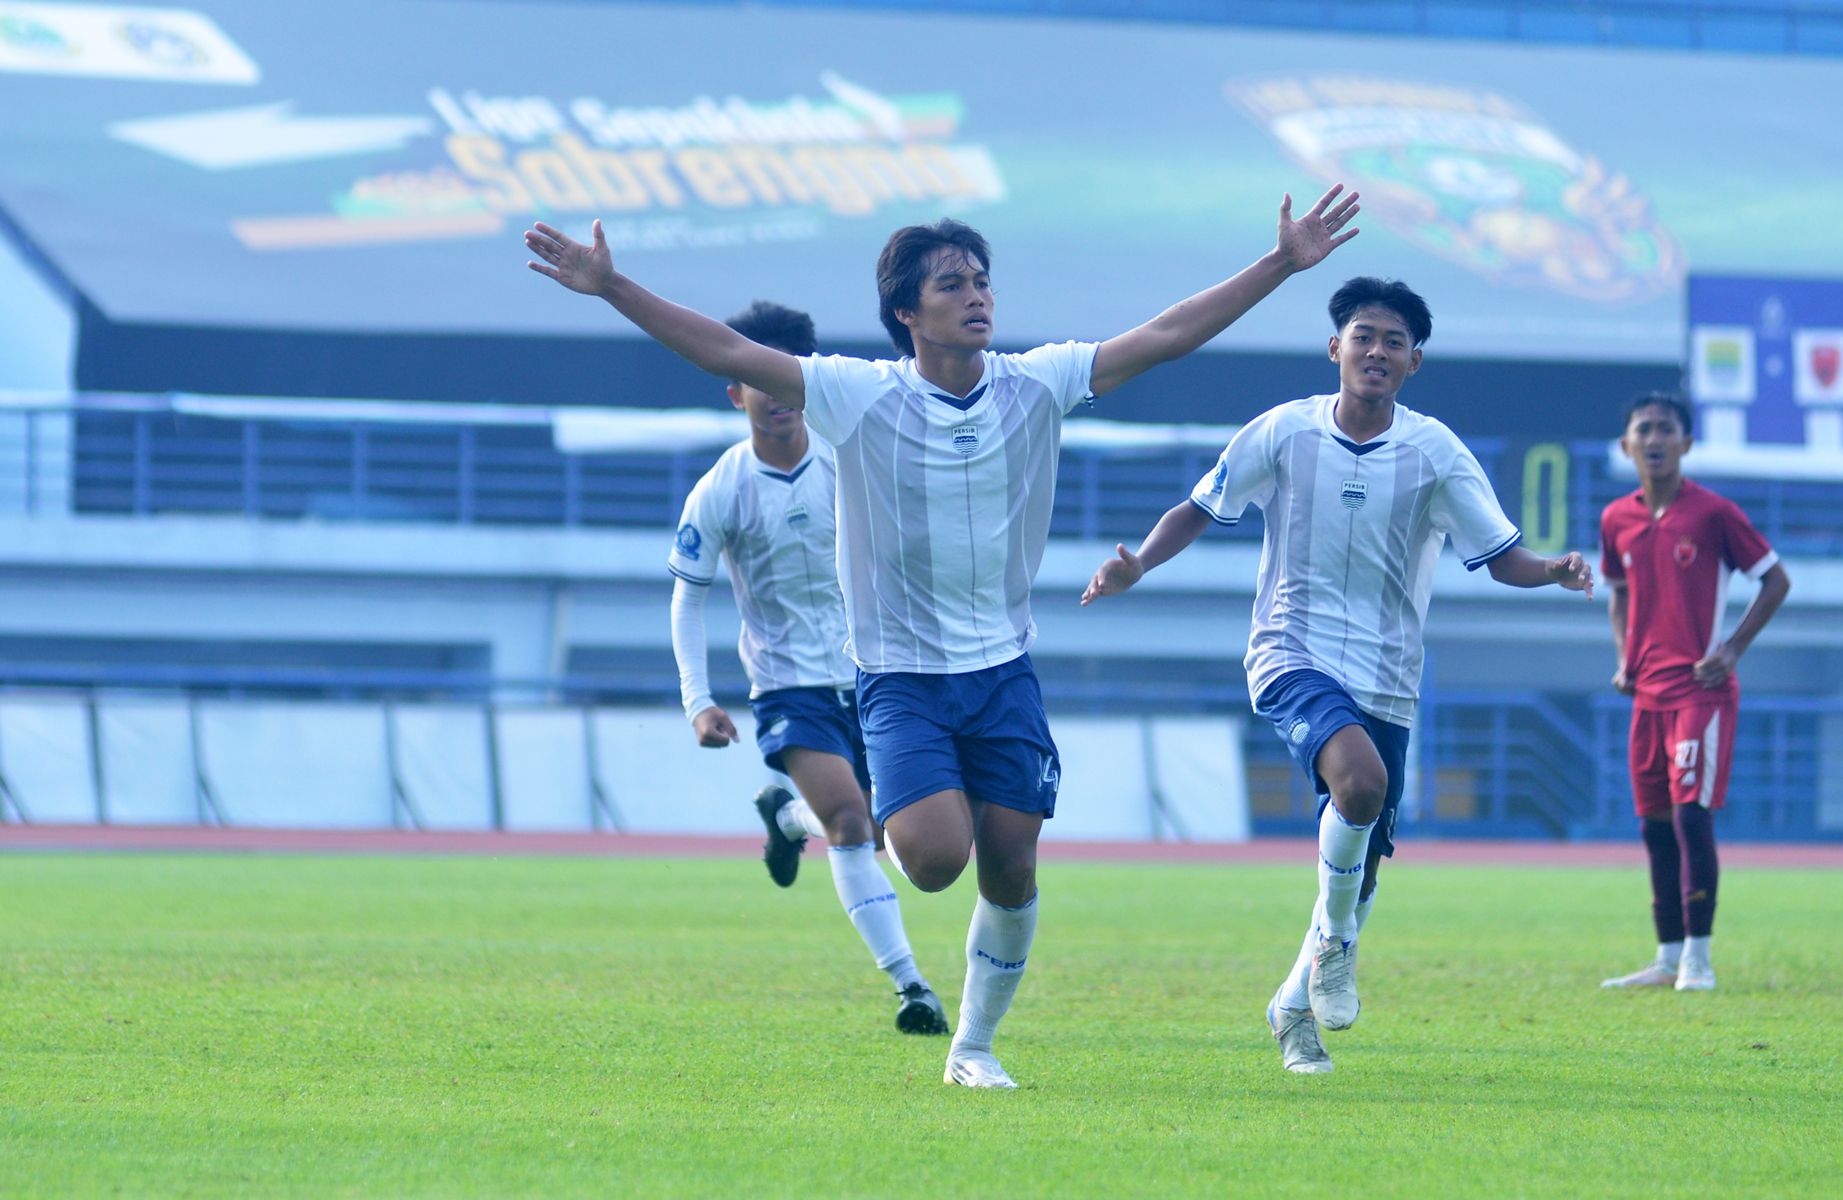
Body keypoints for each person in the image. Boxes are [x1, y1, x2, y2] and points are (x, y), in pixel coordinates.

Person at [527, 183, 1363, 1087]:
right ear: (904, 312)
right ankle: (836, 820)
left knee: (1011, 868)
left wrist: (1281, 261)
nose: (977, 296)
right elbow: (726, 351)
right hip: (899, 677)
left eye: (981, 280)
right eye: (953, 284)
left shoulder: (1037, 381)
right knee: (931, 859)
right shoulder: (855, 395)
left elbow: (1163, 337)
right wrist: (613, 288)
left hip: (1003, 671)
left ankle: (972, 1047)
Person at [1080, 277, 1594, 1074]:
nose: (1376, 350)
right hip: (1292, 652)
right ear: (1335, 348)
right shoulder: (1284, 431)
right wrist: (1138, 563)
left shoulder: (1434, 451)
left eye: (1394, 340)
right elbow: (1202, 505)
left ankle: (1292, 1009)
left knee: (1362, 862)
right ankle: (1337, 945)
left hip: (1388, 673)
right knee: (1359, 783)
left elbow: (1499, 556)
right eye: (1363, 334)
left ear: (1414, 361)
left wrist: (1554, 570)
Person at [667, 299, 946, 1036]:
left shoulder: (848, 458)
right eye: (760, 382)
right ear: (737, 391)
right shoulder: (721, 489)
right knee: (853, 821)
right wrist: (699, 700)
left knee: (888, 831)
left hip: (877, 675)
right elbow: (687, 598)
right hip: (789, 686)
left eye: (788, 381)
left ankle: (787, 817)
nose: (779, 398)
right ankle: (912, 988)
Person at [1598, 392, 1789, 993]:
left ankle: (1699, 960)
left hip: (1700, 694)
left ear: (1687, 443)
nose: (1654, 439)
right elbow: (1619, 591)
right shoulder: (1616, 519)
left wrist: (1731, 649)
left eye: (1666, 429)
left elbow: (1775, 580)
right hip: (1647, 696)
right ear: (1627, 445)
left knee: (1690, 816)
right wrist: (1625, 658)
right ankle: (1667, 955)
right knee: (1653, 826)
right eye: (1643, 429)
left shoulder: (1713, 514)